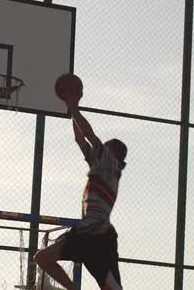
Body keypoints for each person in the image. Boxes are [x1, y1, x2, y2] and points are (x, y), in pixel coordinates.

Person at [34, 84, 127, 290]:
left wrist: (74, 107)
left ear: (113, 153)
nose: (97, 149)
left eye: (103, 147)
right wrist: (70, 110)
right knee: (42, 258)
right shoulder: (99, 164)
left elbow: (89, 134)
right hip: (84, 233)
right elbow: (79, 138)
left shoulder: (111, 165)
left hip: (101, 238)